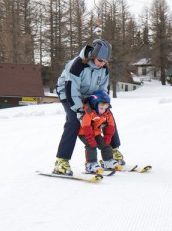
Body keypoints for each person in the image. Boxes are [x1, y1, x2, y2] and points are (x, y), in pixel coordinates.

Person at [53, 39, 125, 176]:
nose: (101, 64)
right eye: (99, 60)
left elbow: (103, 89)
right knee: (74, 121)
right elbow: (71, 89)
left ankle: (112, 152)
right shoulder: (77, 65)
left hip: (90, 95)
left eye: (104, 61)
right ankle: (61, 161)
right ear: (93, 55)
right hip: (68, 93)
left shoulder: (103, 68)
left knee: (107, 117)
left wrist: (103, 105)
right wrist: (80, 110)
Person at [78, 90, 123, 174]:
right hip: (84, 133)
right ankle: (91, 164)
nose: (103, 110)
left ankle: (108, 161)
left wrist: (108, 137)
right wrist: (90, 139)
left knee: (105, 145)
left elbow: (111, 125)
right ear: (95, 105)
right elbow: (86, 126)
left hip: (96, 133)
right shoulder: (89, 112)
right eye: (101, 108)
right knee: (91, 145)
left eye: (105, 108)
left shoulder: (106, 112)